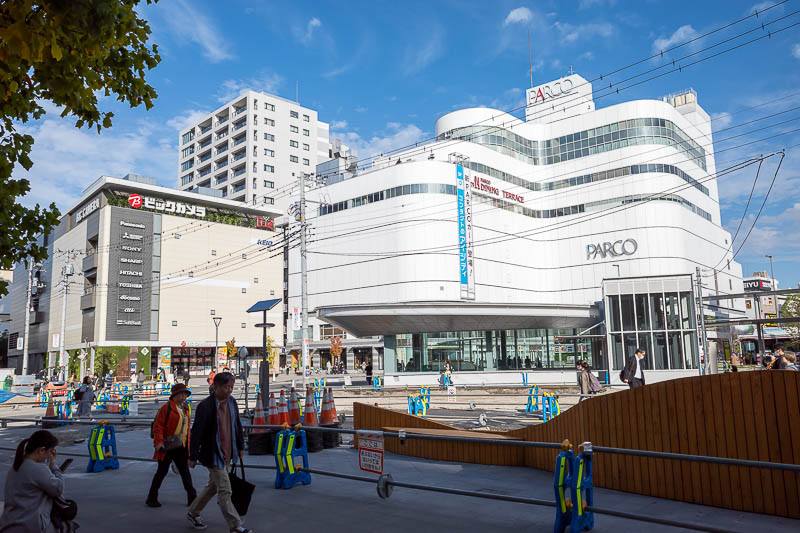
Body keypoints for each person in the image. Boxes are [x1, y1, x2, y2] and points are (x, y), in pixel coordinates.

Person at [187, 373, 251, 533]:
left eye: (231, 387)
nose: (229, 390)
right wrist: (193, 456)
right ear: (215, 386)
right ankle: (235, 525)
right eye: (226, 387)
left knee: (213, 487)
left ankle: (193, 513)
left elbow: (236, 425)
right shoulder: (205, 406)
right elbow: (197, 432)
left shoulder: (232, 402)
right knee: (225, 489)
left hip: (229, 452)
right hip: (213, 454)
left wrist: (241, 447)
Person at [0, 430, 65, 532]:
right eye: (50, 452)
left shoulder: (16, 466)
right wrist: (53, 466)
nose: (50, 456)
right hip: (30, 526)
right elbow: (58, 488)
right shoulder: (37, 469)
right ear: (41, 450)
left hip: (9, 524)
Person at [147, 383, 197, 508]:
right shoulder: (166, 408)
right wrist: (158, 443)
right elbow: (158, 427)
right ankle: (152, 497)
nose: (184, 396)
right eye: (181, 394)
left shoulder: (185, 408)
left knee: (185, 473)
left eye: (185, 394)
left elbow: (187, 428)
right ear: (174, 395)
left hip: (182, 446)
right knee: (161, 472)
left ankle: (192, 497)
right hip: (167, 446)